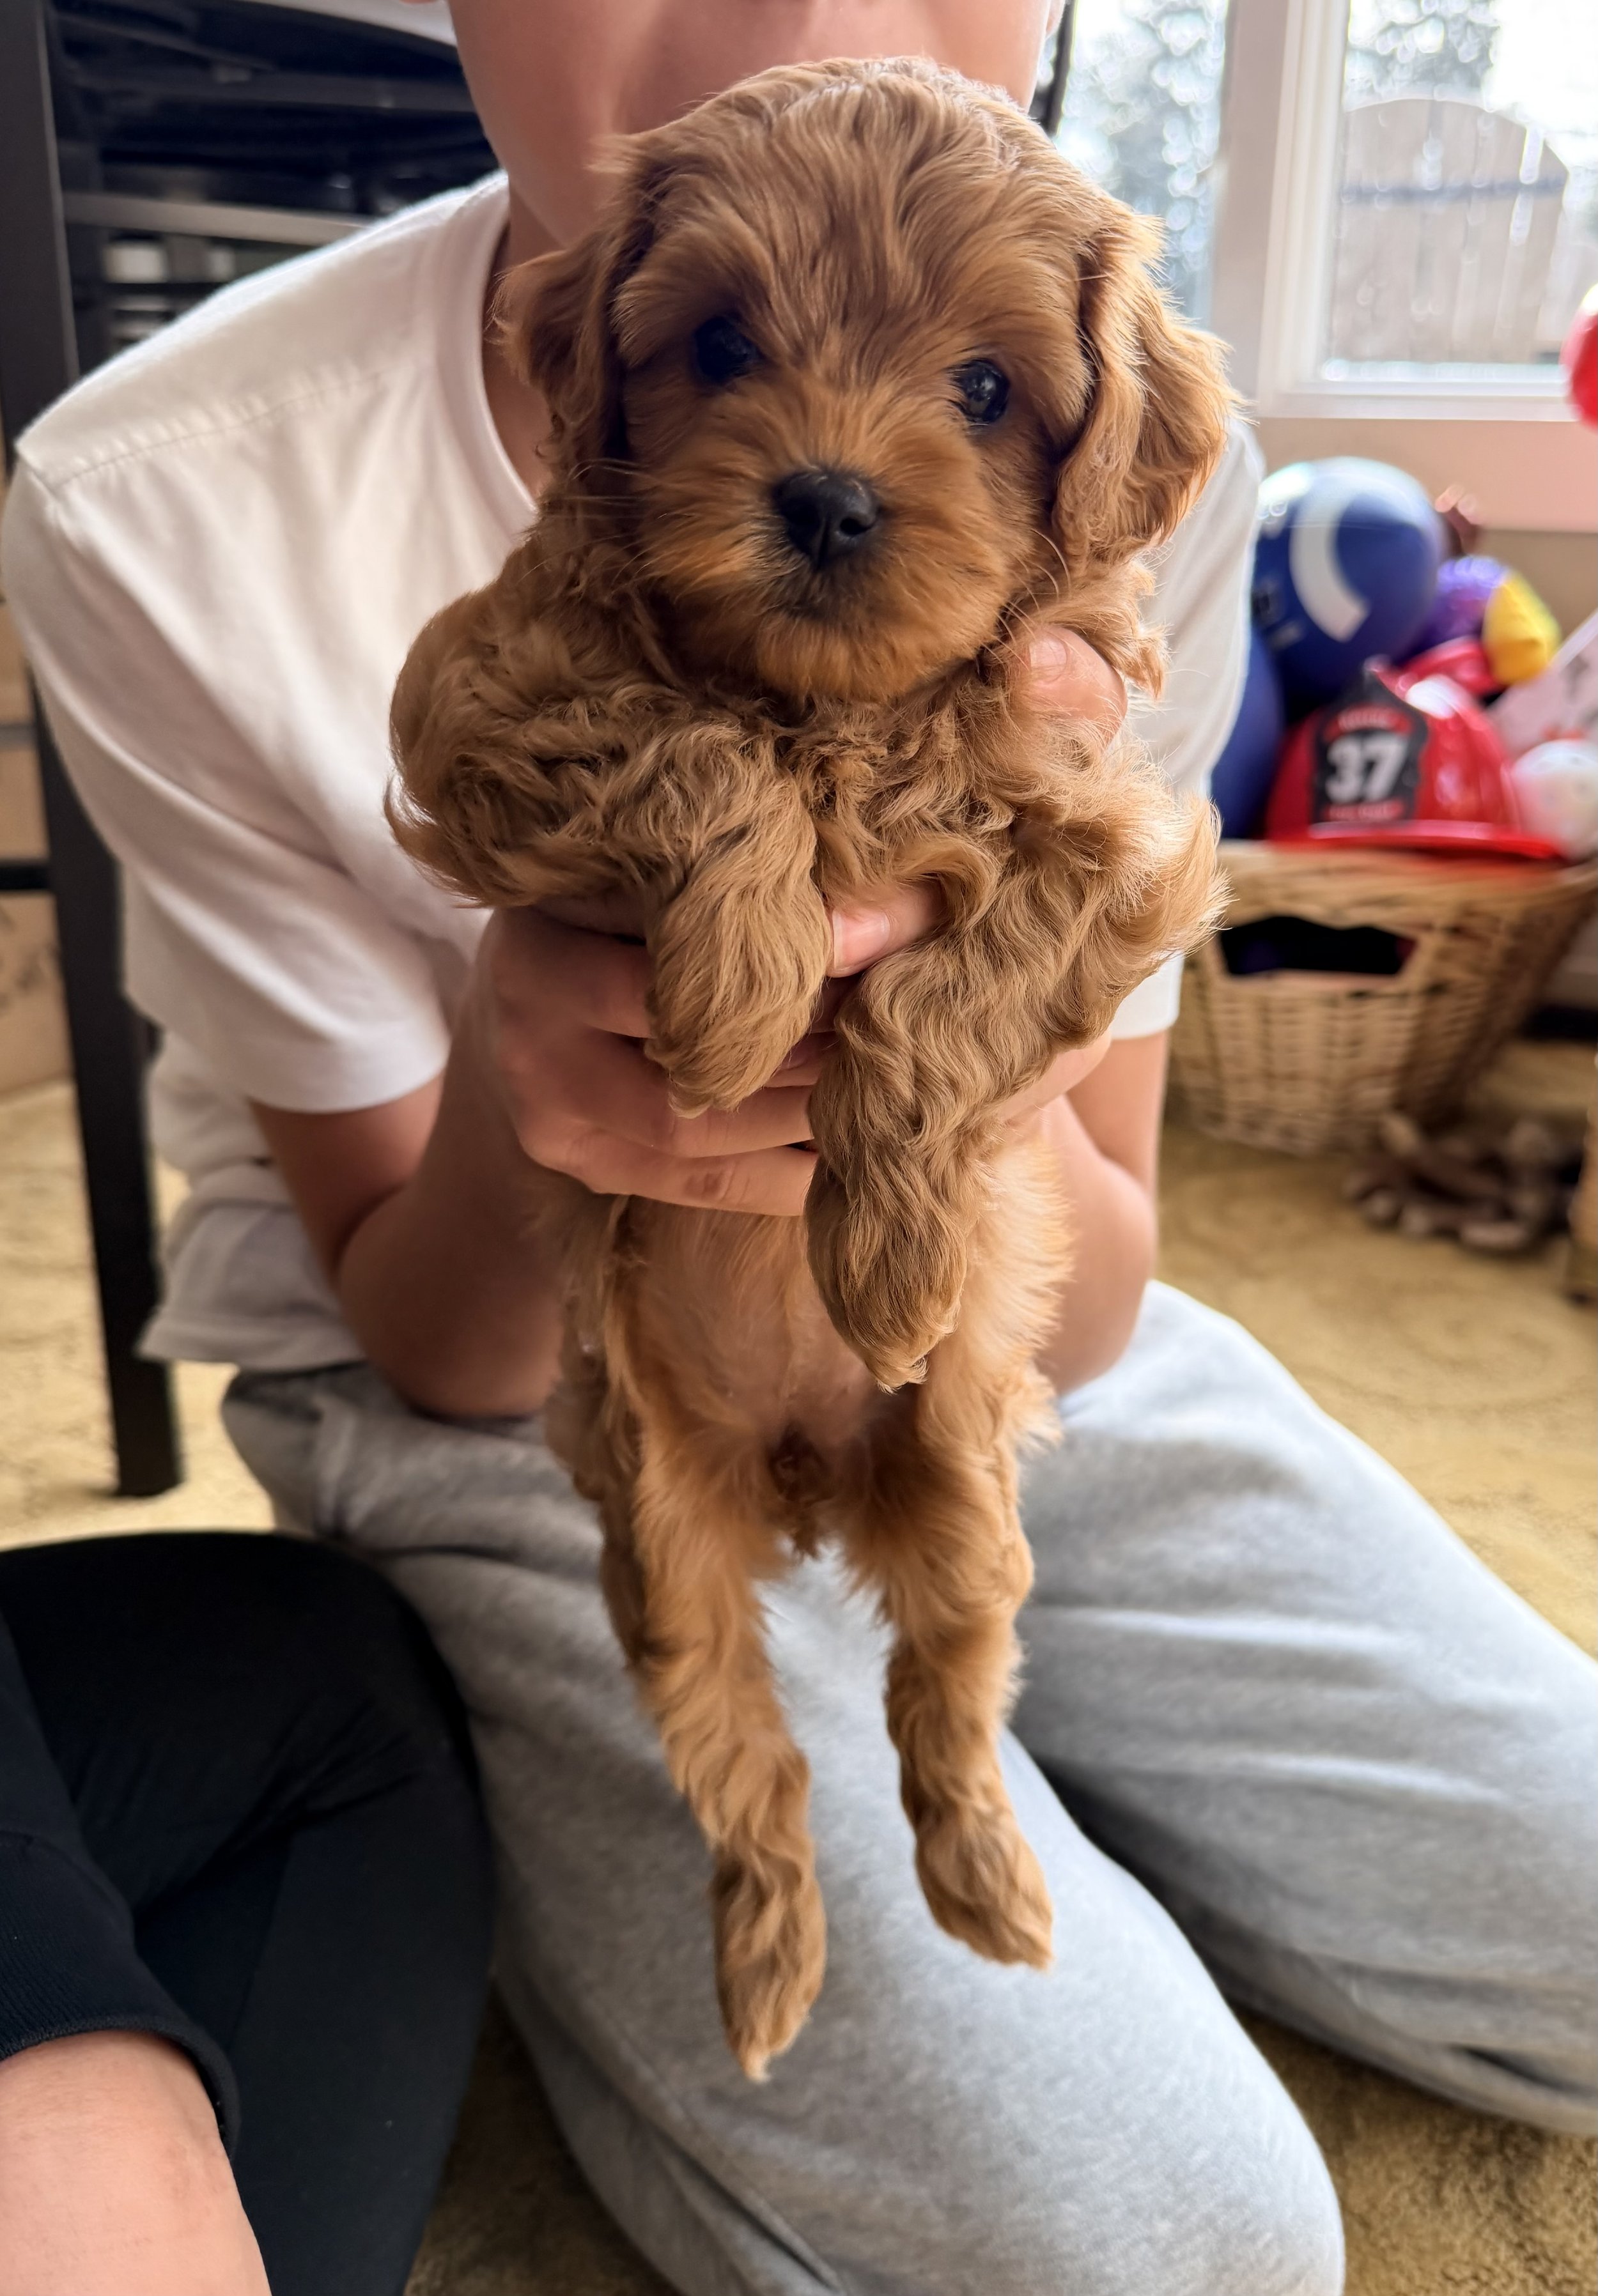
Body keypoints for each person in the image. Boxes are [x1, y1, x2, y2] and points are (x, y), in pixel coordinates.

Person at [2, 3, 1594, 2291]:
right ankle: (591, 1860)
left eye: (972, 392)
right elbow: (431, 1335)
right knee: (1164, 2249)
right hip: (505, 1374)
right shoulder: (161, 493)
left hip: (1003, 1307)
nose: (807, 2)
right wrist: (527, 1059)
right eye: (724, 343)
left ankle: (1017, 1781)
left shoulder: (1146, 416)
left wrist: (967, 1080)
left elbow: (1106, 1262)